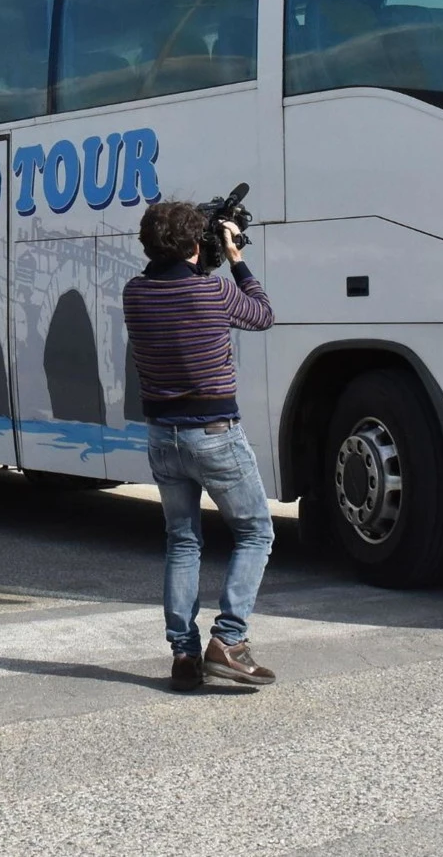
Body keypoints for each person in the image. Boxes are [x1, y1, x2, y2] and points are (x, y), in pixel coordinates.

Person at [122, 200, 277, 691]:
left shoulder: (135, 293)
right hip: (214, 434)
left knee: (183, 540)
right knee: (256, 532)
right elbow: (263, 314)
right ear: (195, 246)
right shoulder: (214, 292)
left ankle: (184, 654)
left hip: (162, 436)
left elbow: (169, 276)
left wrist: (198, 249)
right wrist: (235, 256)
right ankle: (228, 641)